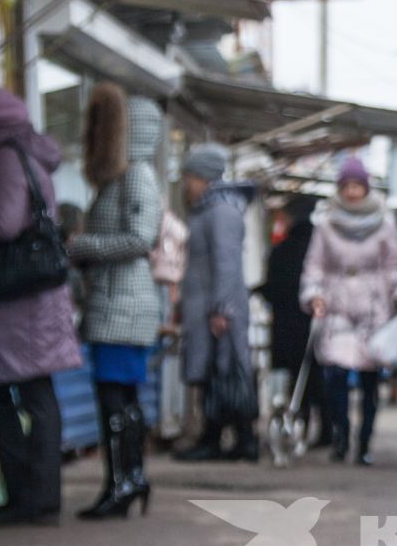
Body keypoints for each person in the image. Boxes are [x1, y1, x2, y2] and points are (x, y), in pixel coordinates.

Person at [0, 82, 81, 527]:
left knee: (7, 392)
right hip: (33, 296)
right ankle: (38, 497)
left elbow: (5, 222)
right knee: (35, 392)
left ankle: (29, 497)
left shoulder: (7, 157)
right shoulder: (24, 152)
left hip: (22, 298)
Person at [70, 84, 163, 519]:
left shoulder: (136, 176)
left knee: (116, 398)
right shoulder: (124, 177)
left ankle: (124, 482)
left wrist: (83, 246)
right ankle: (127, 479)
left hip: (123, 305)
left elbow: (140, 238)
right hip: (117, 302)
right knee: (119, 398)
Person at [301, 157, 397, 465]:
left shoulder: (385, 223)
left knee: (369, 382)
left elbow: (394, 266)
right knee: (334, 374)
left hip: (373, 311)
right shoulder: (325, 224)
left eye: (356, 186)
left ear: (365, 188)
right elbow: (314, 266)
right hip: (337, 309)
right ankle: (340, 434)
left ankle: (364, 443)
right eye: (346, 186)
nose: (351, 192)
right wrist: (314, 296)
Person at [173, 143, 259, 463]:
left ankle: (232, 439)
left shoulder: (220, 210)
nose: (186, 184)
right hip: (208, 308)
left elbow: (227, 262)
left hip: (218, 310)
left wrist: (221, 309)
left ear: (204, 178)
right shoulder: (212, 208)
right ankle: (230, 437)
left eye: (190, 177)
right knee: (218, 372)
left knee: (225, 371)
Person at [258, 195, 324, 446]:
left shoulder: (283, 250)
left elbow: (272, 288)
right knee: (313, 378)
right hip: (312, 325)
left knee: (293, 381)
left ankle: (297, 424)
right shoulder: (317, 248)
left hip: (286, 326)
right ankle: (321, 428)